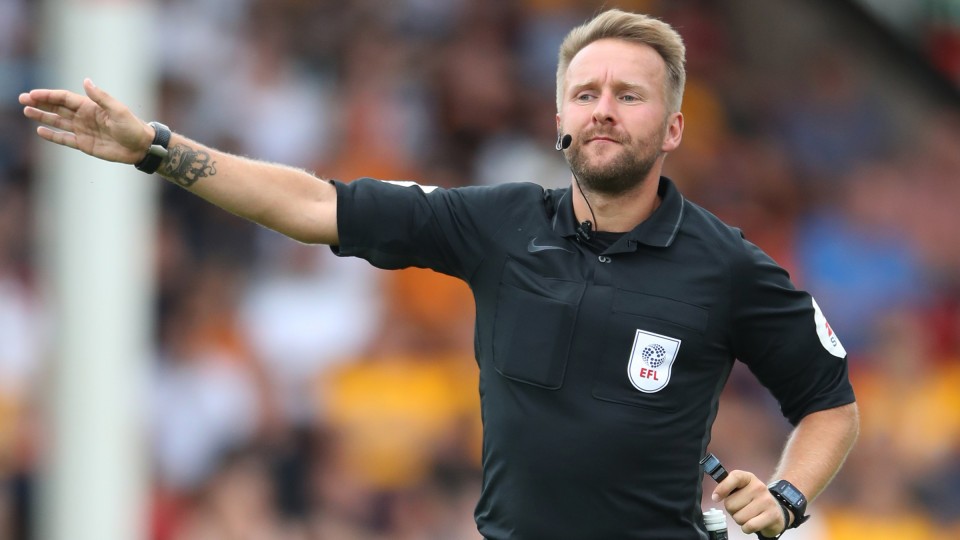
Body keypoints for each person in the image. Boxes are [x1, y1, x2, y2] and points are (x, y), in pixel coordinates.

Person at [19, 8, 859, 540]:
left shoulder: (727, 265)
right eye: (586, 93)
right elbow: (313, 205)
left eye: (629, 96)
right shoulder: (498, 223)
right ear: (560, 118)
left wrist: (787, 497)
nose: (603, 109)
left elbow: (831, 404)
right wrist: (157, 149)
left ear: (673, 127)